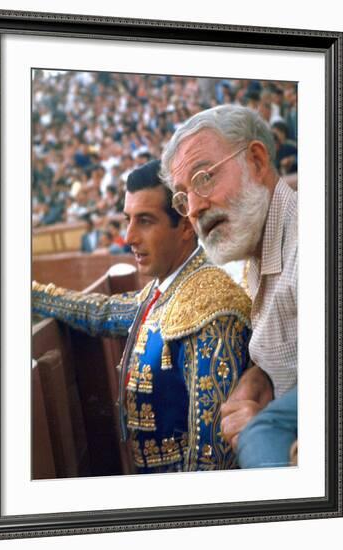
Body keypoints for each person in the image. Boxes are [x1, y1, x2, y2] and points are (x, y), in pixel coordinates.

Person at [32, 159, 252, 473]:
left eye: (145, 221)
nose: (129, 236)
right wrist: (32, 293)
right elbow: (103, 312)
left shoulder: (211, 310)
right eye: (128, 220)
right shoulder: (169, 287)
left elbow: (212, 458)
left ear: (187, 225)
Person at [161, 104, 297, 463]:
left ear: (255, 160)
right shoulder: (252, 251)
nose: (193, 208)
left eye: (204, 177)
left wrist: (273, 430)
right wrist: (262, 376)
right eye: (182, 196)